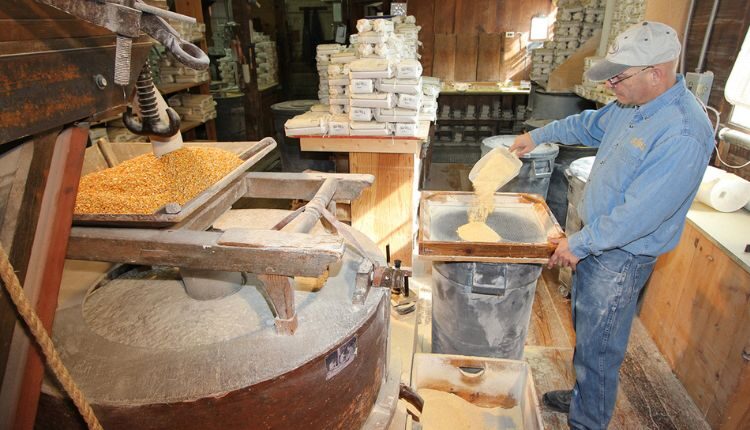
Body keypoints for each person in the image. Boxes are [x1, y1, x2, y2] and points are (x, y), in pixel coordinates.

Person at [510, 21, 714, 429]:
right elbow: (587, 124)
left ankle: (588, 421)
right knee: (588, 330)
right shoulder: (633, 106)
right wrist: (539, 136)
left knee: (601, 346)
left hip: (620, 255)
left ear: (656, 73)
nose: (612, 86)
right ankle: (585, 395)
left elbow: (641, 212)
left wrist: (582, 242)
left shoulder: (683, 132)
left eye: (619, 77)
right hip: (601, 242)